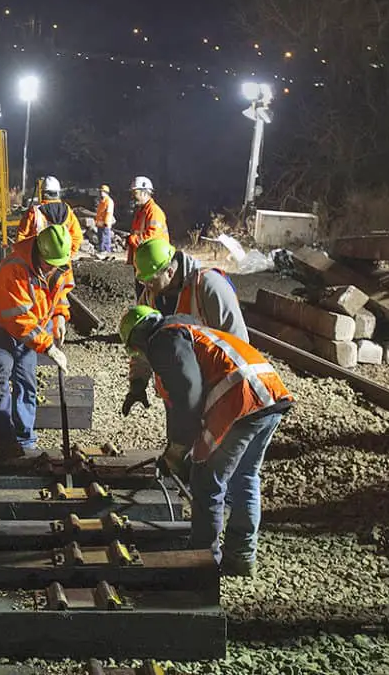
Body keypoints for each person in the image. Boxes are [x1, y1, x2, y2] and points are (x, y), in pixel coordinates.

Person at [119, 306, 293, 576]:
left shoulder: (164, 342)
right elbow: (183, 397)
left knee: (207, 481)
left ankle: (202, 560)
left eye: (136, 350)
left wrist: (177, 451)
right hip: (269, 395)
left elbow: (188, 396)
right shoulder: (185, 329)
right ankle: (241, 556)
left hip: (240, 401)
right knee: (245, 477)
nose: (140, 356)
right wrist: (137, 387)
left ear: (141, 338)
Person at [0, 225, 73, 459]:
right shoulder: (14, 269)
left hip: (32, 325)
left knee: (26, 379)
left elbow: (61, 293)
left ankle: (24, 438)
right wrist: (47, 346)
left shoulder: (60, 261)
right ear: (39, 253)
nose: (54, 268)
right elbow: (18, 320)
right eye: (50, 263)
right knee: (0, 378)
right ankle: (5, 444)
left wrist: (59, 316)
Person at [123, 237, 248, 416]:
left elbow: (238, 343)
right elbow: (145, 343)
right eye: (144, 282)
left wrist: (233, 394)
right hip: (178, 392)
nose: (147, 287)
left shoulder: (208, 286)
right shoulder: (151, 295)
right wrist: (137, 384)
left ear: (170, 272)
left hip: (217, 389)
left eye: (150, 280)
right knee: (180, 440)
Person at [15, 176, 83, 257]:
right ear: (58, 193)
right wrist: (69, 255)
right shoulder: (68, 212)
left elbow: (21, 237)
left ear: (43, 193)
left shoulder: (34, 212)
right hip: (62, 262)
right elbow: (77, 237)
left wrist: (26, 256)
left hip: (38, 262)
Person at [126, 176, 168, 294]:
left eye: (135, 193)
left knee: (153, 297)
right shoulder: (141, 212)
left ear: (145, 193)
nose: (133, 196)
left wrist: (133, 239)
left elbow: (153, 236)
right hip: (144, 263)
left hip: (155, 263)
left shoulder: (154, 211)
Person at [94, 184, 115, 253]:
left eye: (102, 191)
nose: (101, 193)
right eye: (100, 191)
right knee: (100, 238)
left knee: (105, 237)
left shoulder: (109, 201)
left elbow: (109, 212)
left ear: (106, 192)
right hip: (100, 223)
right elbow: (99, 212)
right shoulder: (101, 201)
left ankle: (106, 251)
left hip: (105, 223)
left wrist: (106, 222)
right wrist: (97, 221)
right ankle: (101, 250)